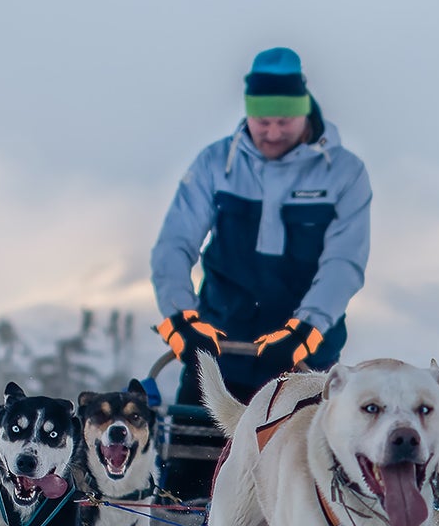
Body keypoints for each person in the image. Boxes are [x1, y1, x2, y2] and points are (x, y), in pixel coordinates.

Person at [150, 47, 372, 498]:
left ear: (303, 109)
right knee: (191, 480)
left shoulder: (345, 174)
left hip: (304, 354)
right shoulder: (215, 164)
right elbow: (173, 246)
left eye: (283, 122)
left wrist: (306, 329)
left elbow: (343, 264)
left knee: (301, 484)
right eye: (261, 121)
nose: (271, 132)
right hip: (216, 346)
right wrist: (180, 319)